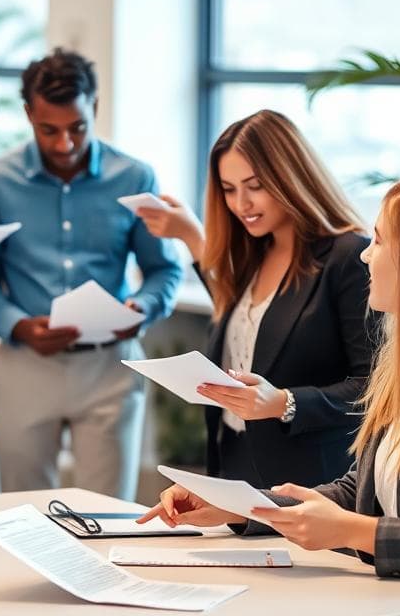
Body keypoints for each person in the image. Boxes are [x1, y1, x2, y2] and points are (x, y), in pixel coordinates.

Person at [141, 172, 400, 612]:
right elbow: (361, 490)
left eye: (378, 241)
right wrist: (241, 506)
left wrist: (351, 531)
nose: (364, 256)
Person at [0, 48, 182, 500]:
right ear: (28, 114)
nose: (65, 143)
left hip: (109, 366)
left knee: (109, 513)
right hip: (26, 363)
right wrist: (17, 325)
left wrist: (140, 308)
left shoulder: (135, 177)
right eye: (49, 130)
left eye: (77, 127)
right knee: (22, 511)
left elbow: (163, 268)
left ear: (95, 108)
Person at [134, 109, 376, 488]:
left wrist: (284, 402)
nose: (241, 203)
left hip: (313, 481)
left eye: (255, 185)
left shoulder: (348, 256)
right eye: (229, 190)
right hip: (234, 462)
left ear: (291, 177)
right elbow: (250, 322)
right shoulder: (252, 253)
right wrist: (191, 237)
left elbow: (376, 386)